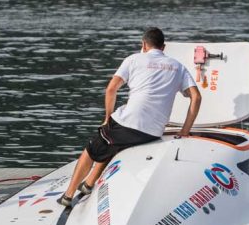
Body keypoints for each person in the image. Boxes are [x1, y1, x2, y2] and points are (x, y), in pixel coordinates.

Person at [59, 27, 201, 207]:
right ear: (163, 47)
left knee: (92, 148)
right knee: (114, 142)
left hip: (129, 125)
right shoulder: (178, 66)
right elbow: (196, 97)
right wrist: (185, 131)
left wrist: (107, 117)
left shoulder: (134, 59)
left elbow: (111, 89)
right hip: (153, 132)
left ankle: (68, 195)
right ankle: (88, 184)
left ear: (143, 44)